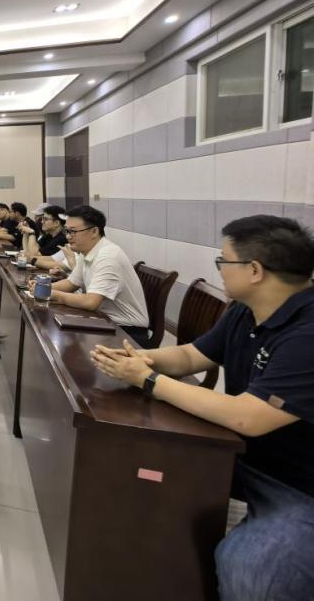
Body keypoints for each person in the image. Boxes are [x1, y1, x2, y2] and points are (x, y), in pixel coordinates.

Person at [91, 215, 314, 601]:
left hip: (295, 483)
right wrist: (141, 360)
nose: (219, 269)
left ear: (255, 270)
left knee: (251, 573)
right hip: (239, 454)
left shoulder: (306, 334)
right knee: (137, 473)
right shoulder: (247, 309)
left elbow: (248, 416)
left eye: (223, 261)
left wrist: (149, 381)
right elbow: (192, 355)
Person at [29, 204, 150, 347]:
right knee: (52, 329)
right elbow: (71, 283)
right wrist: (43, 287)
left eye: (73, 231)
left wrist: (53, 294)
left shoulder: (108, 256)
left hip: (128, 332)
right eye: (67, 231)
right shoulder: (86, 251)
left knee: (61, 341)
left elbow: (91, 302)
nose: (68, 236)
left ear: (94, 231)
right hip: (103, 320)